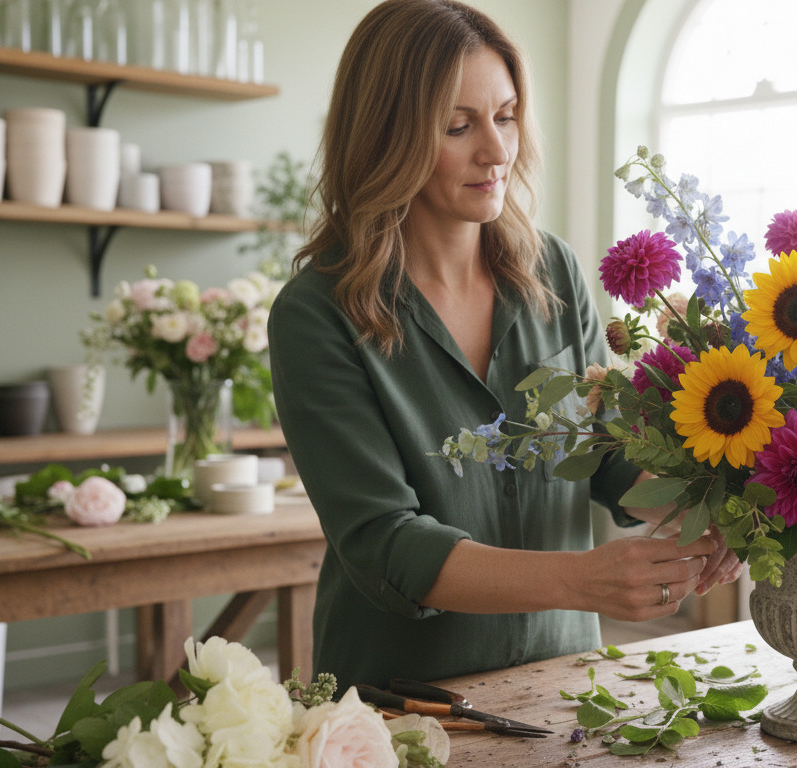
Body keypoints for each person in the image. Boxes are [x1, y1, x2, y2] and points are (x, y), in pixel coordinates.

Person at [267, 0, 741, 691]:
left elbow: (604, 459)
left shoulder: (552, 272)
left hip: (566, 680)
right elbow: (384, 542)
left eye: (506, 115)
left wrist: (708, 506)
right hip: (406, 703)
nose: (496, 151)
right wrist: (583, 579)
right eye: (458, 126)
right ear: (385, 136)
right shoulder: (316, 315)